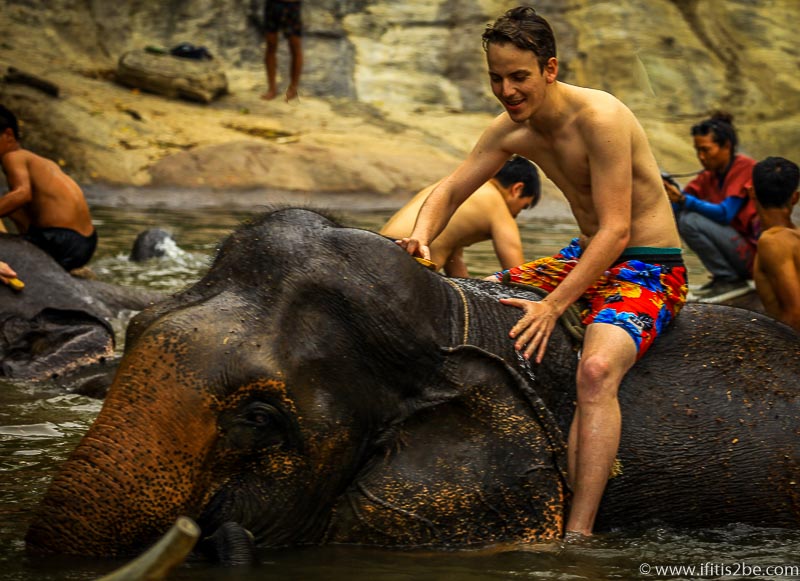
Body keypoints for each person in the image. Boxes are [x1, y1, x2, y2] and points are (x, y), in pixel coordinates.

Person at [398, 6, 686, 537]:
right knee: (476, 292)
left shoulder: (601, 119)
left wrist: (553, 305)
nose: (507, 91)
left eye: (519, 77)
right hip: (582, 256)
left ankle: (576, 535)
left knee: (596, 372)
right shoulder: (512, 129)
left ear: (550, 69)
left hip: (647, 264)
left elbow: (617, 231)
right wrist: (423, 233)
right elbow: (451, 188)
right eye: (496, 78)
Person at [381, 156, 541, 277]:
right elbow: (517, 273)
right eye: (523, 207)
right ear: (517, 189)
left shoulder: (459, 191)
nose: (516, 215)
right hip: (402, 272)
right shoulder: (496, 204)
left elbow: (455, 266)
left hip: (379, 255)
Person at [662, 112, 758, 302]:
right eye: (698, 151)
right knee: (684, 216)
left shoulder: (744, 167)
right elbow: (682, 203)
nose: (701, 157)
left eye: (706, 150)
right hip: (735, 247)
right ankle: (724, 277)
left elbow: (725, 214)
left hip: (753, 256)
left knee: (690, 220)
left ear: (726, 147)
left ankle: (728, 278)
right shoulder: (709, 176)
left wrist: (682, 200)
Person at [0, 105, 97, 272]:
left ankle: (27, 243)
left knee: (11, 198)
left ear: (8, 134)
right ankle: (27, 238)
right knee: (8, 202)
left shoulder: (12, 157)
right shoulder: (41, 162)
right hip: (86, 242)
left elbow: (23, 194)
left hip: (60, 240)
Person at [749, 156, 800, 332]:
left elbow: (795, 316)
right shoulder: (794, 237)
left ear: (751, 192)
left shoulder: (772, 242)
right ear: (795, 197)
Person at [262, 0, 303, 102]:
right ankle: (272, 88)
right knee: (270, 44)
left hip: (292, 4)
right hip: (272, 4)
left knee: (295, 46)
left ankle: (293, 88)